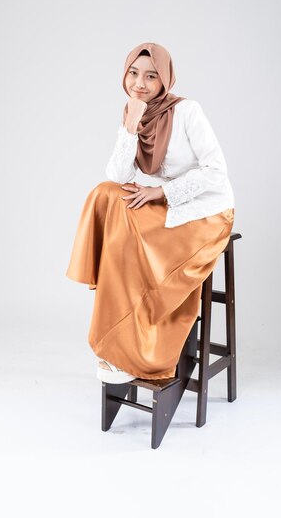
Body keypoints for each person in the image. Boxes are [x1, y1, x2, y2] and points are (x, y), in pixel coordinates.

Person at [65, 42, 235, 384]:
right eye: (133, 73)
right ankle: (117, 340)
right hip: (171, 205)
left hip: (207, 210)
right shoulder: (136, 112)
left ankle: (137, 351)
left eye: (150, 76)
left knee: (125, 239)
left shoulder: (187, 111)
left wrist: (160, 191)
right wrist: (130, 124)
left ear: (165, 80)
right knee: (106, 195)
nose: (139, 83)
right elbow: (118, 176)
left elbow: (216, 171)